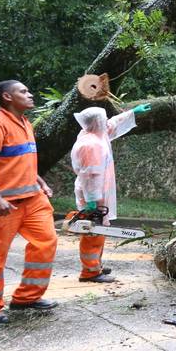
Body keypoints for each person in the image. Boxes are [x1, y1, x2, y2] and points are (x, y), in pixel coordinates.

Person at [0, 80, 58, 327]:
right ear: (7, 97)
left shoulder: (25, 122)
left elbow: (22, 159)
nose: (30, 95)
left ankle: (27, 298)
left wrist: (40, 181)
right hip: (1, 204)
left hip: (32, 198)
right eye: (24, 91)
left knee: (46, 242)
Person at [69, 103, 150, 282]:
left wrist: (132, 113)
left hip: (97, 192)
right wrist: (93, 201)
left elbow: (112, 124)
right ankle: (89, 272)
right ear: (97, 122)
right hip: (92, 193)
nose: (106, 122)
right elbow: (91, 175)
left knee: (99, 229)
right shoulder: (91, 145)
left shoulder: (95, 134)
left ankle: (95, 265)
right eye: (103, 119)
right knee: (93, 232)